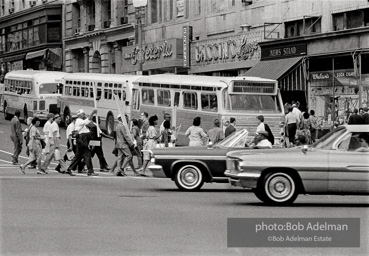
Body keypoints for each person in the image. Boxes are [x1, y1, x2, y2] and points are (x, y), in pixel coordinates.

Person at [67, 109, 98, 176]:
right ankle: (90, 171)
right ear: (80, 115)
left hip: (81, 138)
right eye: (83, 114)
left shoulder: (80, 121)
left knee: (78, 155)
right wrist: (92, 113)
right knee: (87, 154)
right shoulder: (79, 120)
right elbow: (87, 122)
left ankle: (70, 168)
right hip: (83, 138)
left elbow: (90, 123)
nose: (84, 114)